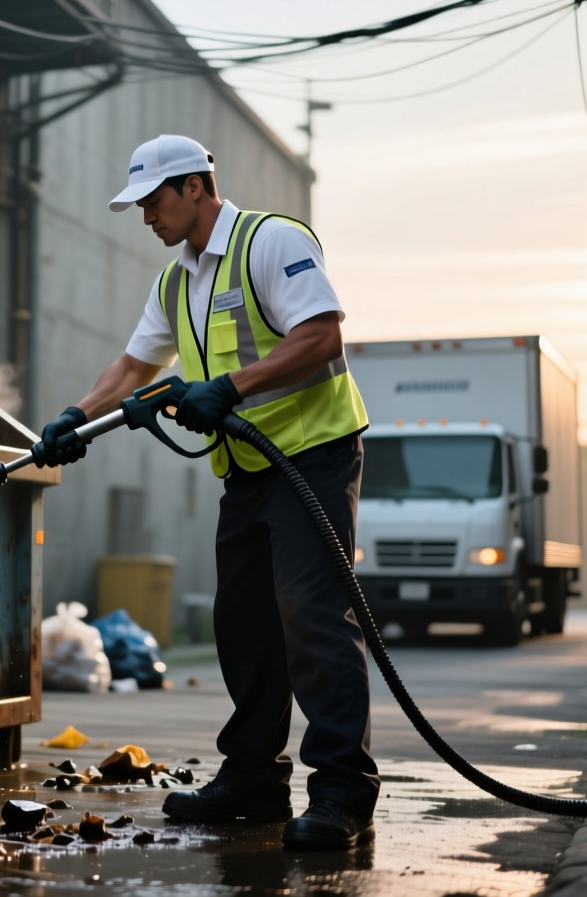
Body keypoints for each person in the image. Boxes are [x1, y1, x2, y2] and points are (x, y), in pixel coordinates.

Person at [36, 134, 377, 850]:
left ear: (195, 187)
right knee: (244, 624)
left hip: (312, 457)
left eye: (153, 202)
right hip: (248, 473)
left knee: (312, 618)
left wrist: (228, 387)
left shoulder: (269, 241)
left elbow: (321, 335)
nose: (147, 218)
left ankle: (343, 792)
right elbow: (134, 365)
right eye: (139, 207)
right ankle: (254, 780)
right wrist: (76, 416)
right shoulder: (177, 279)